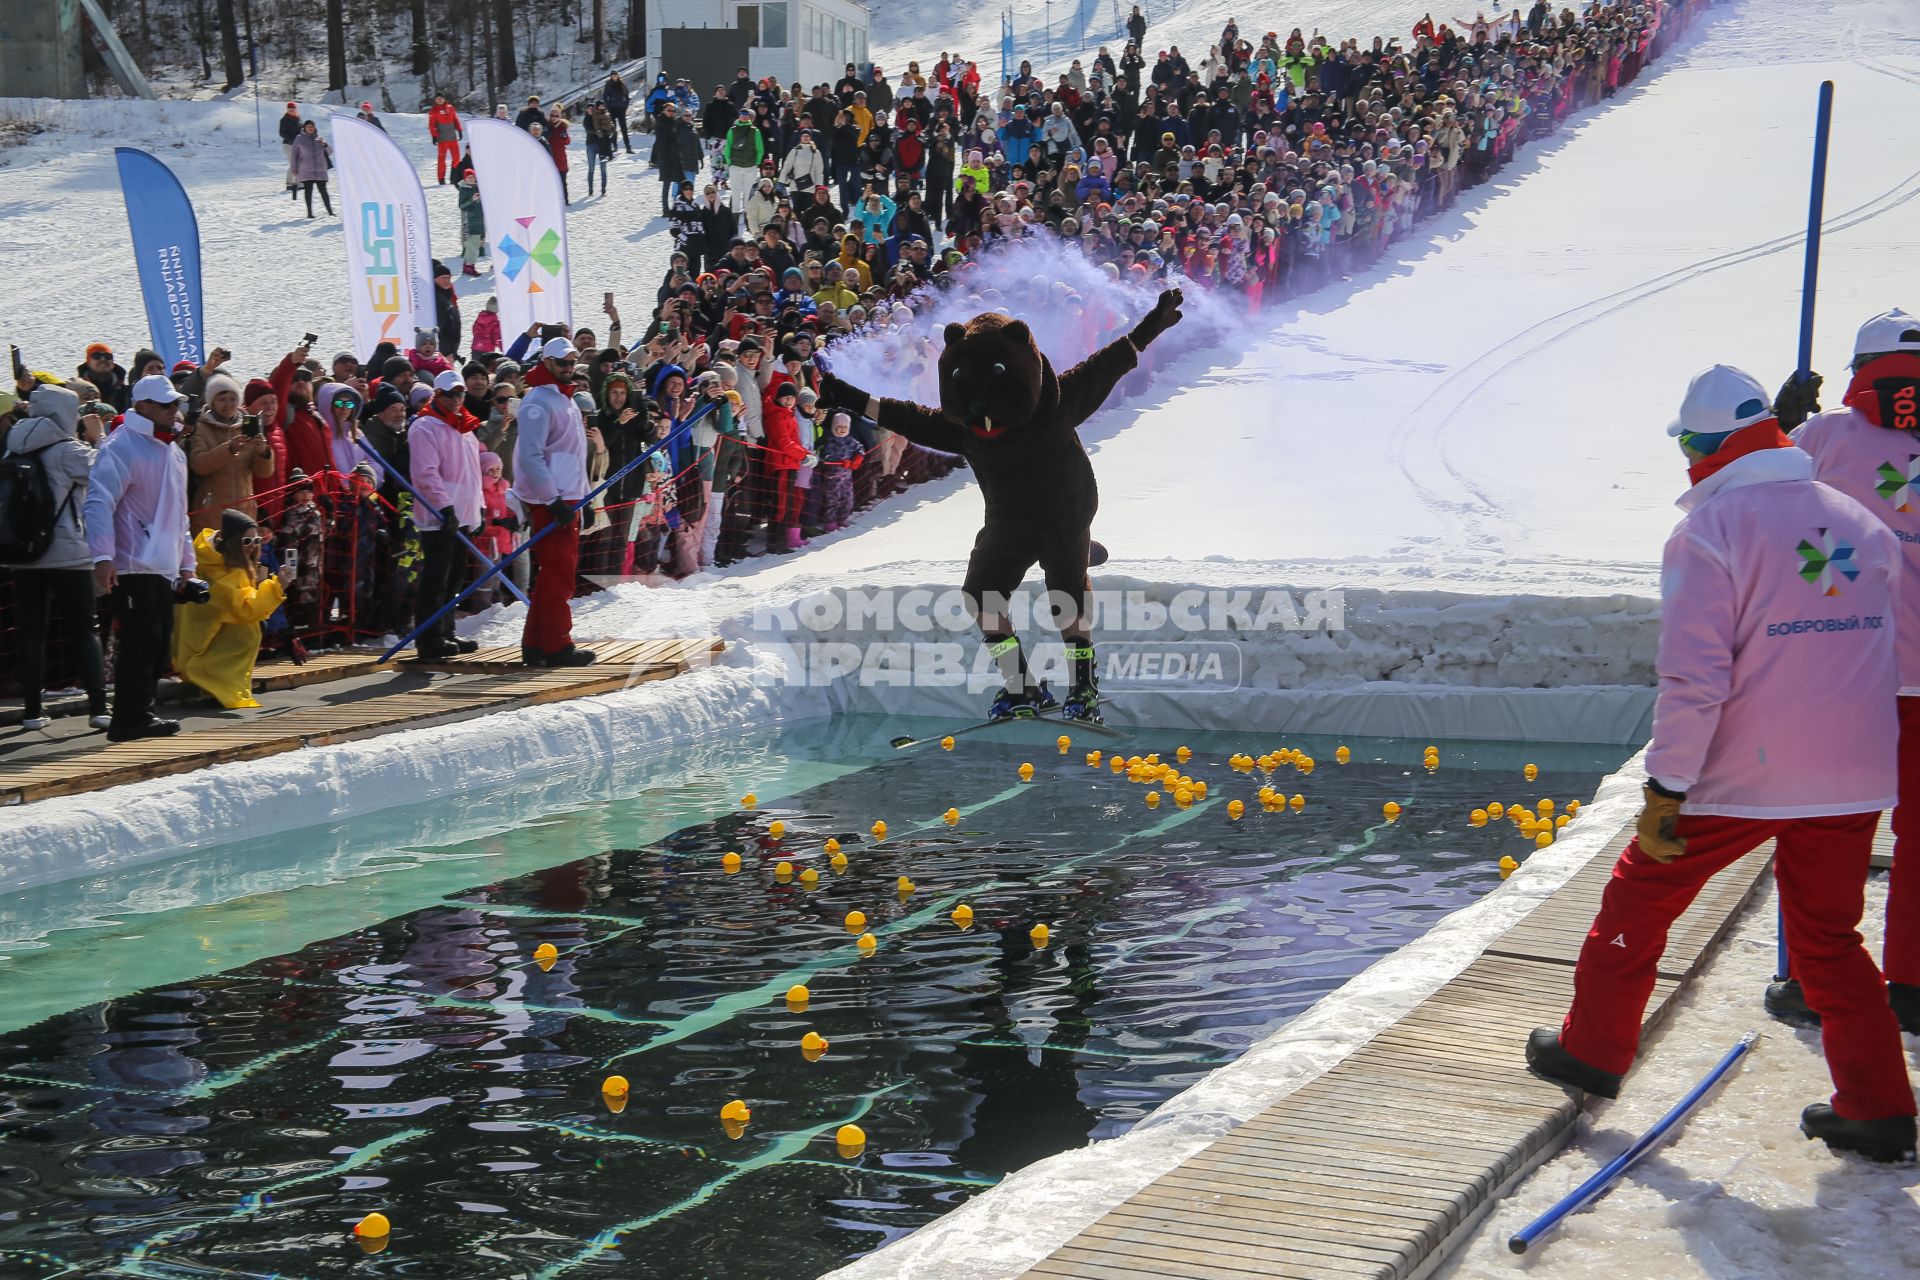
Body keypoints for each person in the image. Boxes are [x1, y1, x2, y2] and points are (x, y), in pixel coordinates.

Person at [1525, 365, 1918, 1164]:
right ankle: (1878, 1106)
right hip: (1853, 777)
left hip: (1742, 774)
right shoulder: (1859, 521)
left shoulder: (1711, 530)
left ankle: (1593, 1050)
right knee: (1831, 940)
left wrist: (1667, 787)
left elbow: (1694, 677)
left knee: (1639, 899)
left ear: (1706, 446)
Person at [1773, 308, 1920, 1037]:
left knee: (1828, 835)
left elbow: (1748, 497)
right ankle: (1916, 985)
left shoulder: (1823, 436)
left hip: (1848, 673)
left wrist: (1778, 425)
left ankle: (1812, 977)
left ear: (1860, 367)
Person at [85, 374, 198, 742]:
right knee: (142, 640)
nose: (173, 410)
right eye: (166, 404)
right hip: (131, 564)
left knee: (160, 640)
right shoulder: (121, 446)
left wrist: (187, 564)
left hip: (162, 567)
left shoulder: (173, 451)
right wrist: (102, 556)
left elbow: (179, 514)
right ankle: (129, 719)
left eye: (175, 404)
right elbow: (98, 502)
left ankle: (140, 714)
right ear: (142, 406)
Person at [3, 383, 109, 731]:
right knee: (85, 629)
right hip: (67, 555)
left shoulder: (12, 448)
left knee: (32, 634)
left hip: (23, 555)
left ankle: (32, 712)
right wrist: (99, 436)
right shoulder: (67, 450)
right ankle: (98, 707)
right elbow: (107, 472)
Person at [512, 338, 596, 667]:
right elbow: (530, 456)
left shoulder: (566, 398)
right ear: (546, 361)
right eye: (562, 361)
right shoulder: (538, 401)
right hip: (553, 498)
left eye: (572, 361)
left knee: (556, 572)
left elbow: (575, 453)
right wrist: (553, 499)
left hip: (568, 493)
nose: (568, 366)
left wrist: (584, 494)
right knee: (559, 572)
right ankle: (557, 643)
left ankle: (536, 643)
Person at [172, 508, 291, 708]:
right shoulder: (224, 575)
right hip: (199, 645)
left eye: (257, 541)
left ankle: (213, 682)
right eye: (246, 541)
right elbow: (246, 609)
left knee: (251, 629)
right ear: (232, 541)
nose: (252, 547)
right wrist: (277, 587)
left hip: (196, 636)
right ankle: (210, 681)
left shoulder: (213, 559)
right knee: (248, 631)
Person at [409, 370, 485, 661]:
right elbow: (426, 473)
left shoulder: (465, 428)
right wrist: (444, 506)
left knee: (454, 578)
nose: (456, 400)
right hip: (439, 515)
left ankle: (447, 629)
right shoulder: (425, 426)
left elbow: (473, 473)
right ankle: (429, 637)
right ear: (437, 395)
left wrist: (479, 508)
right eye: (450, 394)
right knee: (436, 578)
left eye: (460, 394)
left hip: (463, 514)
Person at [187, 371, 275, 530]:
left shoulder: (247, 425)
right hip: (211, 513)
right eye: (222, 400)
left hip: (245, 509)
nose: (228, 405)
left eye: (232, 399)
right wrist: (229, 448)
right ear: (212, 402)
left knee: (244, 552)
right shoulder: (201, 427)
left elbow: (264, 473)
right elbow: (199, 465)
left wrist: (264, 453)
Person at [723, 110, 764, 215]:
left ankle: (748, 213)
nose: (745, 117)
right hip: (736, 166)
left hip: (750, 166)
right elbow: (727, 147)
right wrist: (729, 162)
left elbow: (760, 148)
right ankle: (735, 213)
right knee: (735, 191)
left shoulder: (755, 131)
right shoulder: (732, 130)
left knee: (748, 191)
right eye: (742, 115)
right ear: (739, 116)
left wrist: (757, 162)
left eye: (747, 115)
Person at [291, 119, 334, 218]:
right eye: (308, 127)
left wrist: (324, 144)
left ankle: (330, 212)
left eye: (312, 127)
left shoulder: (319, 138)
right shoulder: (299, 138)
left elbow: (330, 152)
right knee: (308, 191)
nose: (310, 129)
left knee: (323, 191)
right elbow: (294, 155)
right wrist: (294, 168)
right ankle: (309, 213)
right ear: (304, 128)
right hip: (306, 169)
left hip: (320, 169)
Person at [428, 92, 464, 183]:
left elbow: (455, 119)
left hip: (452, 138)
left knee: (456, 158)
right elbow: (432, 125)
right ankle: (441, 178)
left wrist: (459, 130)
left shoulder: (450, 108)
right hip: (442, 139)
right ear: (435, 100)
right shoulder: (433, 111)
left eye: (441, 98)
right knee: (442, 159)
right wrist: (434, 136)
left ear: (444, 99)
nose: (439, 100)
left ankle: (454, 177)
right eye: (437, 99)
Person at [457, 171, 486, 275]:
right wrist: (472, 199)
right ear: (465, 178)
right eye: (468, 177)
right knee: (471, 246)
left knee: (476, 245)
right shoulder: (464, 189)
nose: (471, 179)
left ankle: (468, 265)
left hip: (479, 221)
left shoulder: (478, 187)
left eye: (472, 177)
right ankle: (469, 266)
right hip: (469, 222)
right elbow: (462, 205)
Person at [278, 101, 302, 199]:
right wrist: (291, 139)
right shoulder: (284, 120)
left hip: (298, 144)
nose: (292, 110)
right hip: (288, 144)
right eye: (290, 109)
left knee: (299, 163)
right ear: (287, 109)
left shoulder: (298, 119)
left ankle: (298, 182)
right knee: (294, 163)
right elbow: (281, 133)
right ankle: (290, 183)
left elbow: (301, 130)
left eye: (293, 108)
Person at [604, 71, 633, 153]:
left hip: (621, 108)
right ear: (611, 77)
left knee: (624, 128)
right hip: (612, 108)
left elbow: (627, 96)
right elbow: (605, 96)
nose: (614, 77)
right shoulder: (608, 85)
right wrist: (608, 104)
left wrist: (625, 106)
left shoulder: (622, 84)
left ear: (618, 76)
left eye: (615, 75)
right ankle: (614, 145)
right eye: (612, 76)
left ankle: (628, 146)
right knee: (613, 128)